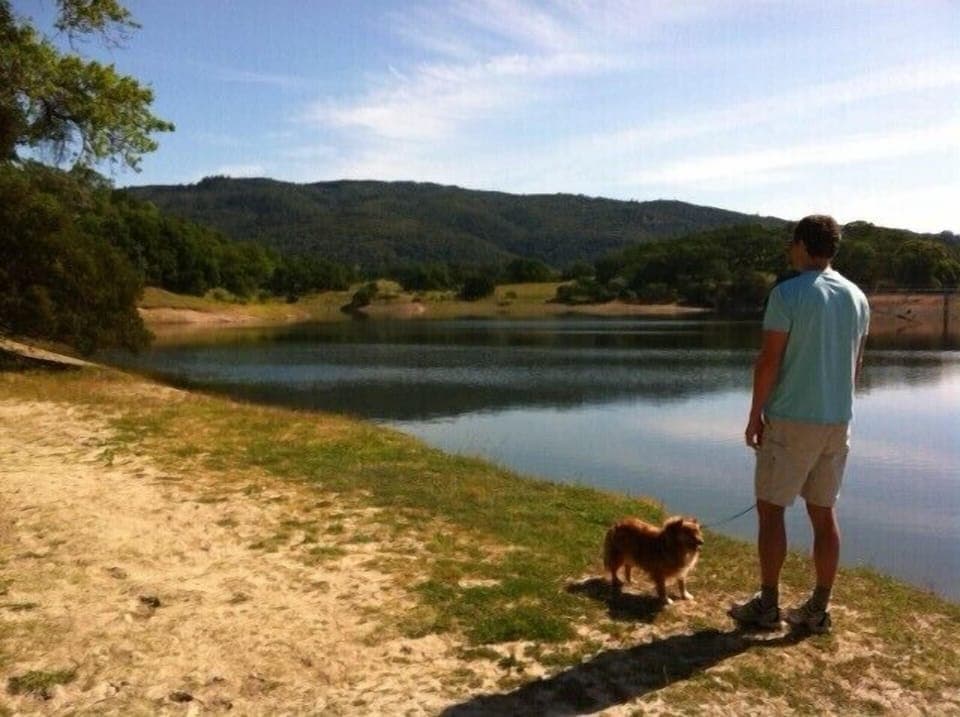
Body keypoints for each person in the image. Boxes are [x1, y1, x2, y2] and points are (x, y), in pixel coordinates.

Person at [729, 214, 870, 634]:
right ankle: (818, 609)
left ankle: (768, 606)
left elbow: (768, 362)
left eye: (792, 243)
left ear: (804, 245)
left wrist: (754, 416)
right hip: (837, 420)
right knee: (823, 513)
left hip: (791, 419)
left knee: (771, 509)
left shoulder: (788, 293)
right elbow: (856, 366)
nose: (789, 250)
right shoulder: (857, 297)